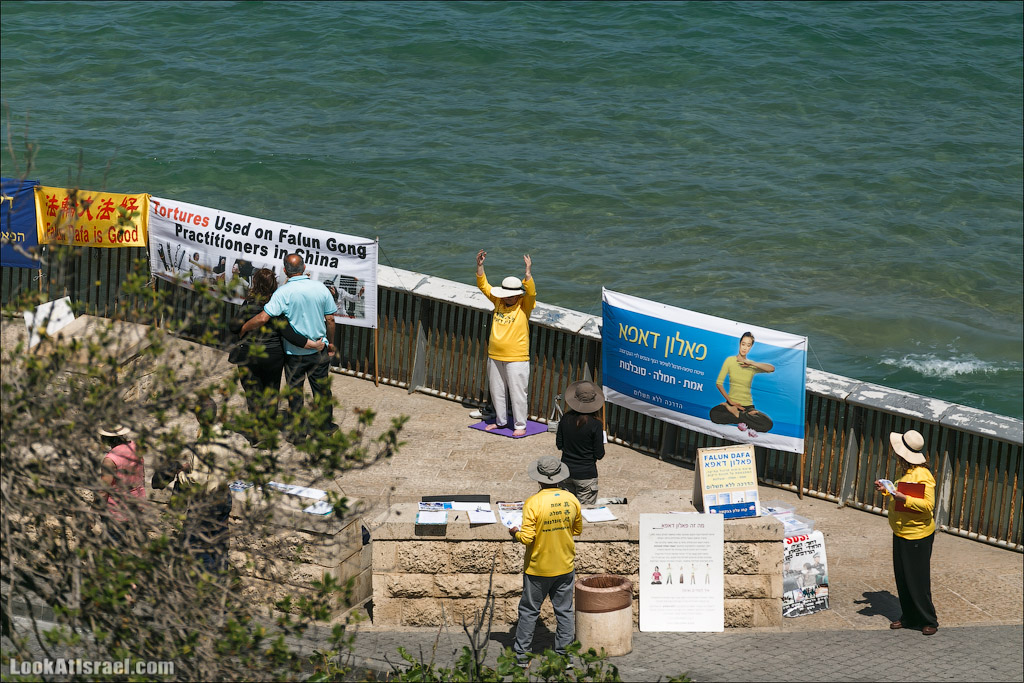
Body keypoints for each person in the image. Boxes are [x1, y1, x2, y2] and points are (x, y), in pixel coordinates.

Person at [240, 254, 335, 441]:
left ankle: (298, 435)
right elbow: (330, 319)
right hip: (319, 349)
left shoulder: (282, 292)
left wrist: (243, 328)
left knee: (295, 393)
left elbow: (263, 318)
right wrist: (330, 343)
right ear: (304, 267)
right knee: (322, 390)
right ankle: (325, 429)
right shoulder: (320, 288)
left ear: (285, 270)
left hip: (294, 353)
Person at [509, 455, 581, 665]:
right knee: (565, 612)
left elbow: (527, 538)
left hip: (537, 568)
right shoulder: (571, 500)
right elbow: (576, 529)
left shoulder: (533, 503)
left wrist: (514, 532)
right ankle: (565, 657)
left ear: (539, 479)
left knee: (529, 612)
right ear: (559, 477)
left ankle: (522, 657)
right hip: (565, 565)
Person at [874, 429, 939, 636]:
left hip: (918, 535)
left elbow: (928, 505)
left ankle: (929, 620)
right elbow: (901, 493)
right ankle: (909, 616)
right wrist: (887, 490)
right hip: (901, 531)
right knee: (903, 577)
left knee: (918, 580)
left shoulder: (923, 476)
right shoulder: (908, 473)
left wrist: (902, 498)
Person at [476, 250, 536, 436]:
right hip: (494, 354)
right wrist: (480, 265)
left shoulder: (524, 306)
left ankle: (520, 425)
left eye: (511, 295)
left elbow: (532, 293)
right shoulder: (498, 302)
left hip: (517, 357)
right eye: (505, 294)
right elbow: (484, 286)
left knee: (518, 393)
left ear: (518, 295)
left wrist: (528, 274)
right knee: (497, 391)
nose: (507, 297)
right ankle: (501, 421)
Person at [709, 331, 775, 437]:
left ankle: (738, 415)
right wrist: (730, 403)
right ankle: (745, 419)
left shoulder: (751, 366)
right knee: (713, 414)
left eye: (748, 345)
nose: (745, 348)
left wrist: (751, 363)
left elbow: (771, 369)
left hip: (748, 408)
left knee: (768, 424)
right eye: (743, 344)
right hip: (731, 404)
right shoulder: (730, 361)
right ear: (739, 344)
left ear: (751, 347)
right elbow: (719, 383)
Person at [556, 380, 605, 504]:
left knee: (567, 509)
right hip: (586, 474)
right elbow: (599, 454)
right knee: (585, 513)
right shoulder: (596, 425)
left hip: (566, 471)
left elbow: (559, 444)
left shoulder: (565, 419)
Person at [99, 424, 146, 544]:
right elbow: (142, 474)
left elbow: (103, 491)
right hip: (137, 504)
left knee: (114, 547)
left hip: (117, 511)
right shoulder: (136, 447)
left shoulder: (110, 460)